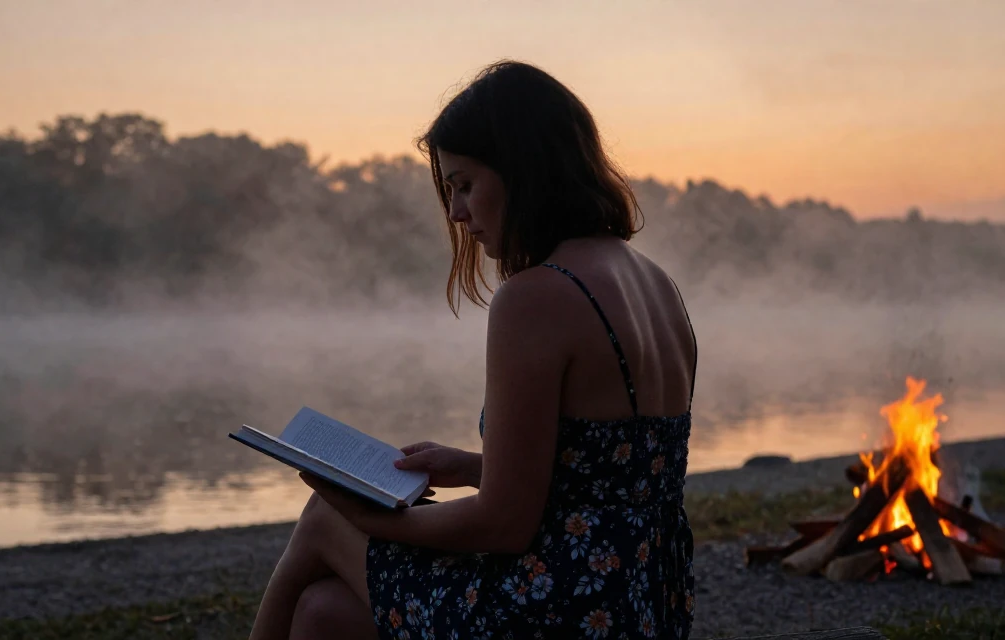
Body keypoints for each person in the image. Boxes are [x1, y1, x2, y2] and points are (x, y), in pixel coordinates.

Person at [248, 59, 698, 640]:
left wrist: (370, 516)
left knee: (325, 518)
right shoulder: (658, 283)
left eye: (464, 185)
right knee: (324, 613)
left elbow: (504, 525)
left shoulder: (538, 296)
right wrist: (474, 467)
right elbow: (613, 478)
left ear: (524, 172)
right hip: (642, 601)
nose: (458, 214)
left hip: (557, 607)